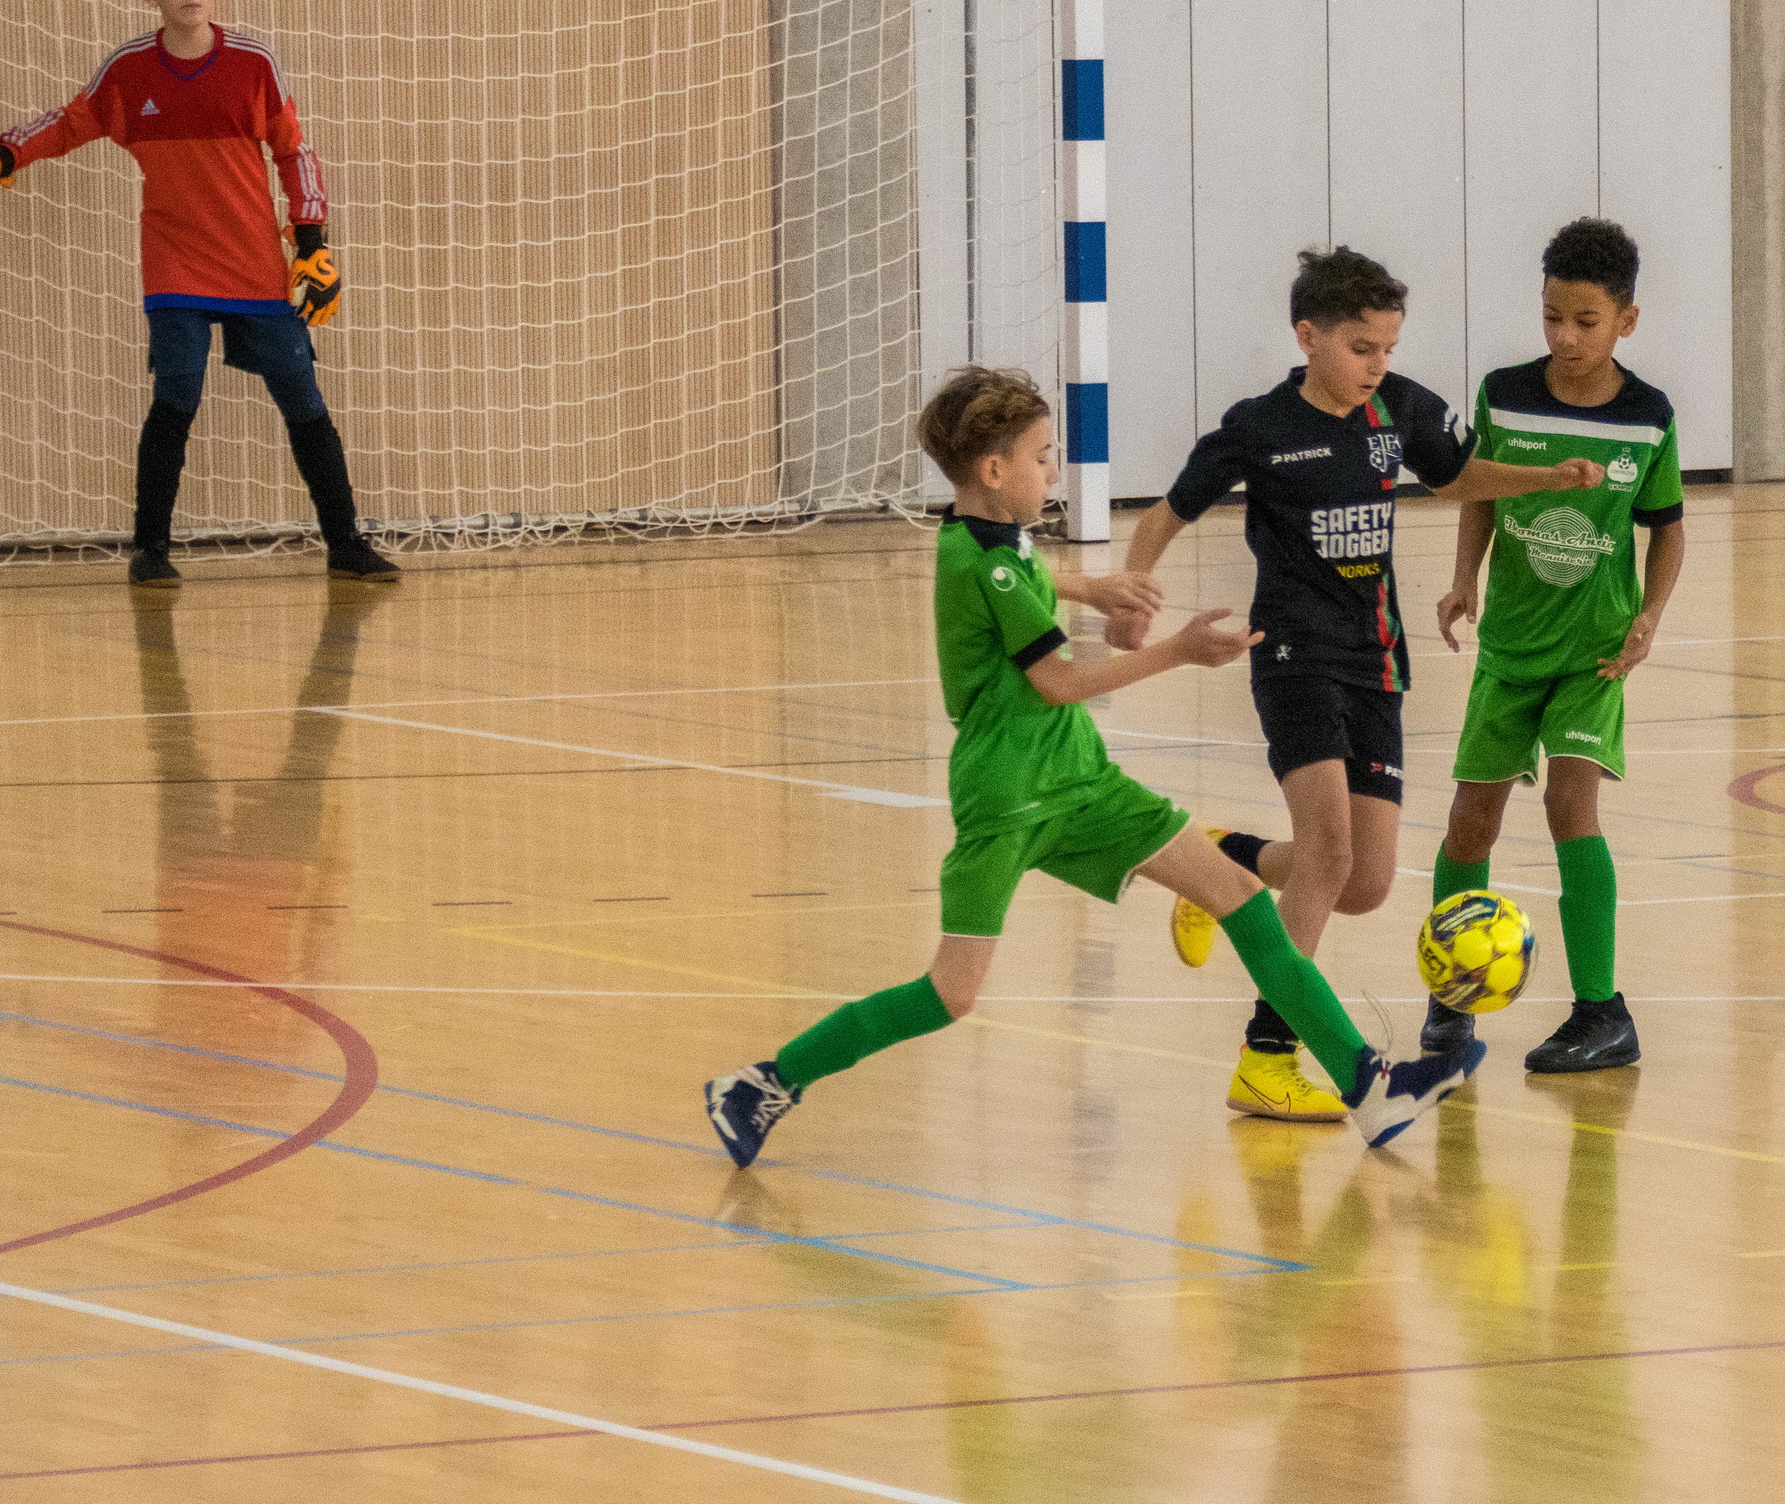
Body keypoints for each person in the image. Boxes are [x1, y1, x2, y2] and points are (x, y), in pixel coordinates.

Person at [704, 367, 1485, 1163]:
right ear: (993, 469)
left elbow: (1019, 570)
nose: (1054, 472)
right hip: (1009, 795)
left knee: (1243, 898)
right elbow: (1057, 681)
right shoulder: (988, 564)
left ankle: (1367, 1085)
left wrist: (1089, 587)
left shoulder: (978, 536)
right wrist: (1179, 651)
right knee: (949, 992)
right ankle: (764, 1081)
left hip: (1080, 779)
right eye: (1043, 457)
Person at [1111, 247, 1605, 1122]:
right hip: (1292, 657)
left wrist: (1543, 477)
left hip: (1377, 660)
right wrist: (1134, 588)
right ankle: (1267, 1057)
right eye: (1361, 347)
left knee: (1365, 881)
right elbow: (1167, 510)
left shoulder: (1398, 407)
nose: (1377, 364)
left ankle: (1220, 860)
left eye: (1387, 348)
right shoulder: (1259, 426)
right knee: (1329, 854)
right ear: (1308, 337)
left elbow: (1454, 476)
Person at [0, 0, 399, 588]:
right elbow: (70, 123)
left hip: (254, 263)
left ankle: (345, 543)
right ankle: (149, 551)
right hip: (174, 261)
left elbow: (294, 152)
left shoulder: (254, 64)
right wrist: (2, 155)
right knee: (175, 395)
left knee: (302, 397)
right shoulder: (129, 70)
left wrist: (312, 244)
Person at [1423, 218, 1686, 1074]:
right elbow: (1476, 491)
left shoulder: (1647, 416)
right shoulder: (1503, 394)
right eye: (1550, 317)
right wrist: (1463, 577)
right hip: (1509, 647)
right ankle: (1451, 997)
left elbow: (1667, 527)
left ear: (1625, 321)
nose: (1565, 337)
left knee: (1571, 805)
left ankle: (1601, 1010)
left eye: (1584, 321)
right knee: (1470, 820)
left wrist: (1649, 615)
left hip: (1593, 654)